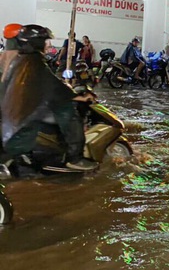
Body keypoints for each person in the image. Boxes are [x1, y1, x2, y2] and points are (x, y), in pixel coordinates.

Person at [0, 25, 97, 171]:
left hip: (16, 105)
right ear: (36, 42)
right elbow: (53, 86)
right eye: (44, 42)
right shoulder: (33, 61)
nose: (47, 45)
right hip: (27, 109)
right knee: (68, 112)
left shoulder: (20, 58)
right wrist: (78, 97)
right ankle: (75, 157)